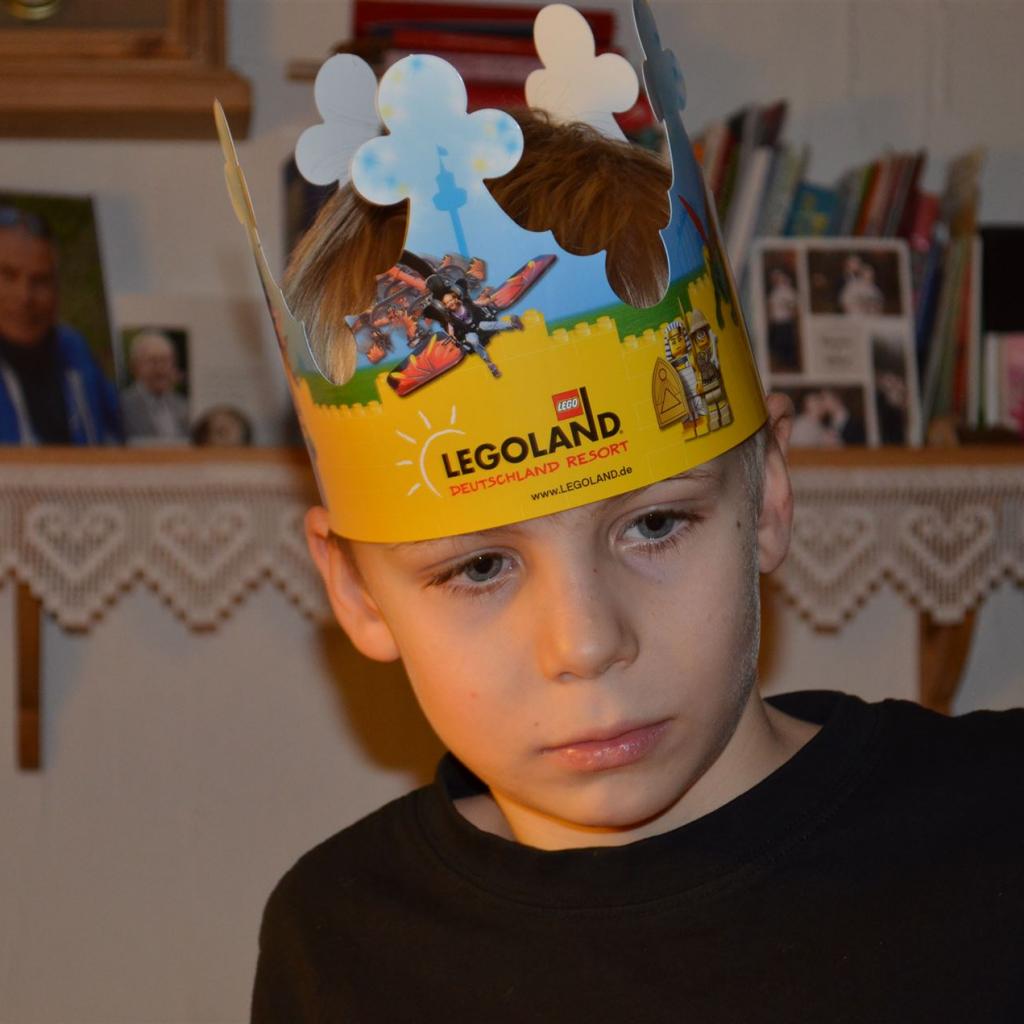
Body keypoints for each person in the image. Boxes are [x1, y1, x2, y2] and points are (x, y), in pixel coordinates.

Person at [237, 37, 1023, 1024]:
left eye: (653, 524)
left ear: (769, 495)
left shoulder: (996, 832)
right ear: (355, 589)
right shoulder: (339, 939)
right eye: (478, 567)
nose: (587, 642)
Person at [0, 206, 122, 445]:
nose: (25, 296)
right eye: (7, 276)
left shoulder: (74, 351)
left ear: (57, 291)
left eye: (40, 280)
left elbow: (123, 434)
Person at [120, 328, 190, 443]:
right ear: (134, 367)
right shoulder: (123, 406)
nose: (160, 369)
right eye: (153, 361)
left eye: (166, 361)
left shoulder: (183, 406)